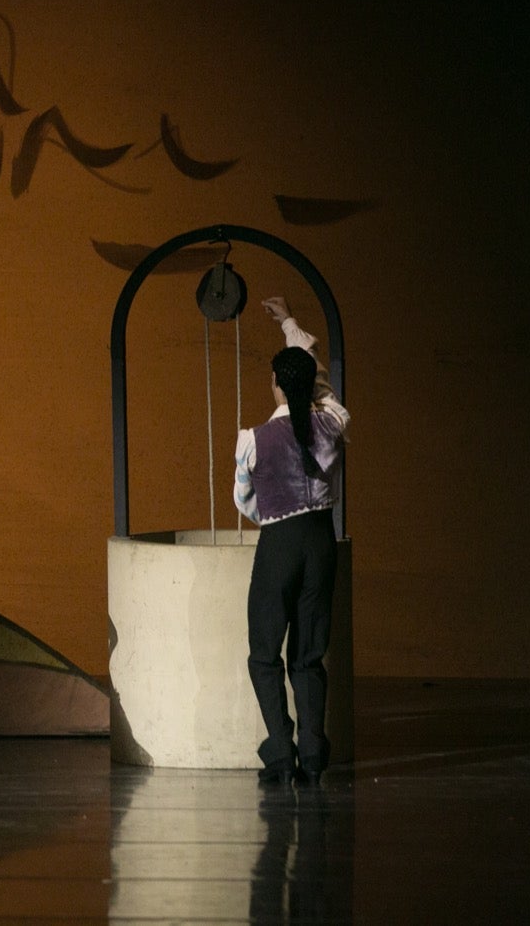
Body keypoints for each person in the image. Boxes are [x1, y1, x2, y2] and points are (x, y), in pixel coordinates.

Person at [234, 297, 350, 784]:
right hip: (321, 541)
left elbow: (245, 500)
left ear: (276, 386)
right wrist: (289, 324)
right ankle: (314, 751)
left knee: (265, 651)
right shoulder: (332, 423)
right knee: (308, 653)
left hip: (279, 542)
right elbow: (315, 378)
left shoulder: (254, 438)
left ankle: (280, 750)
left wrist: (275, 514)